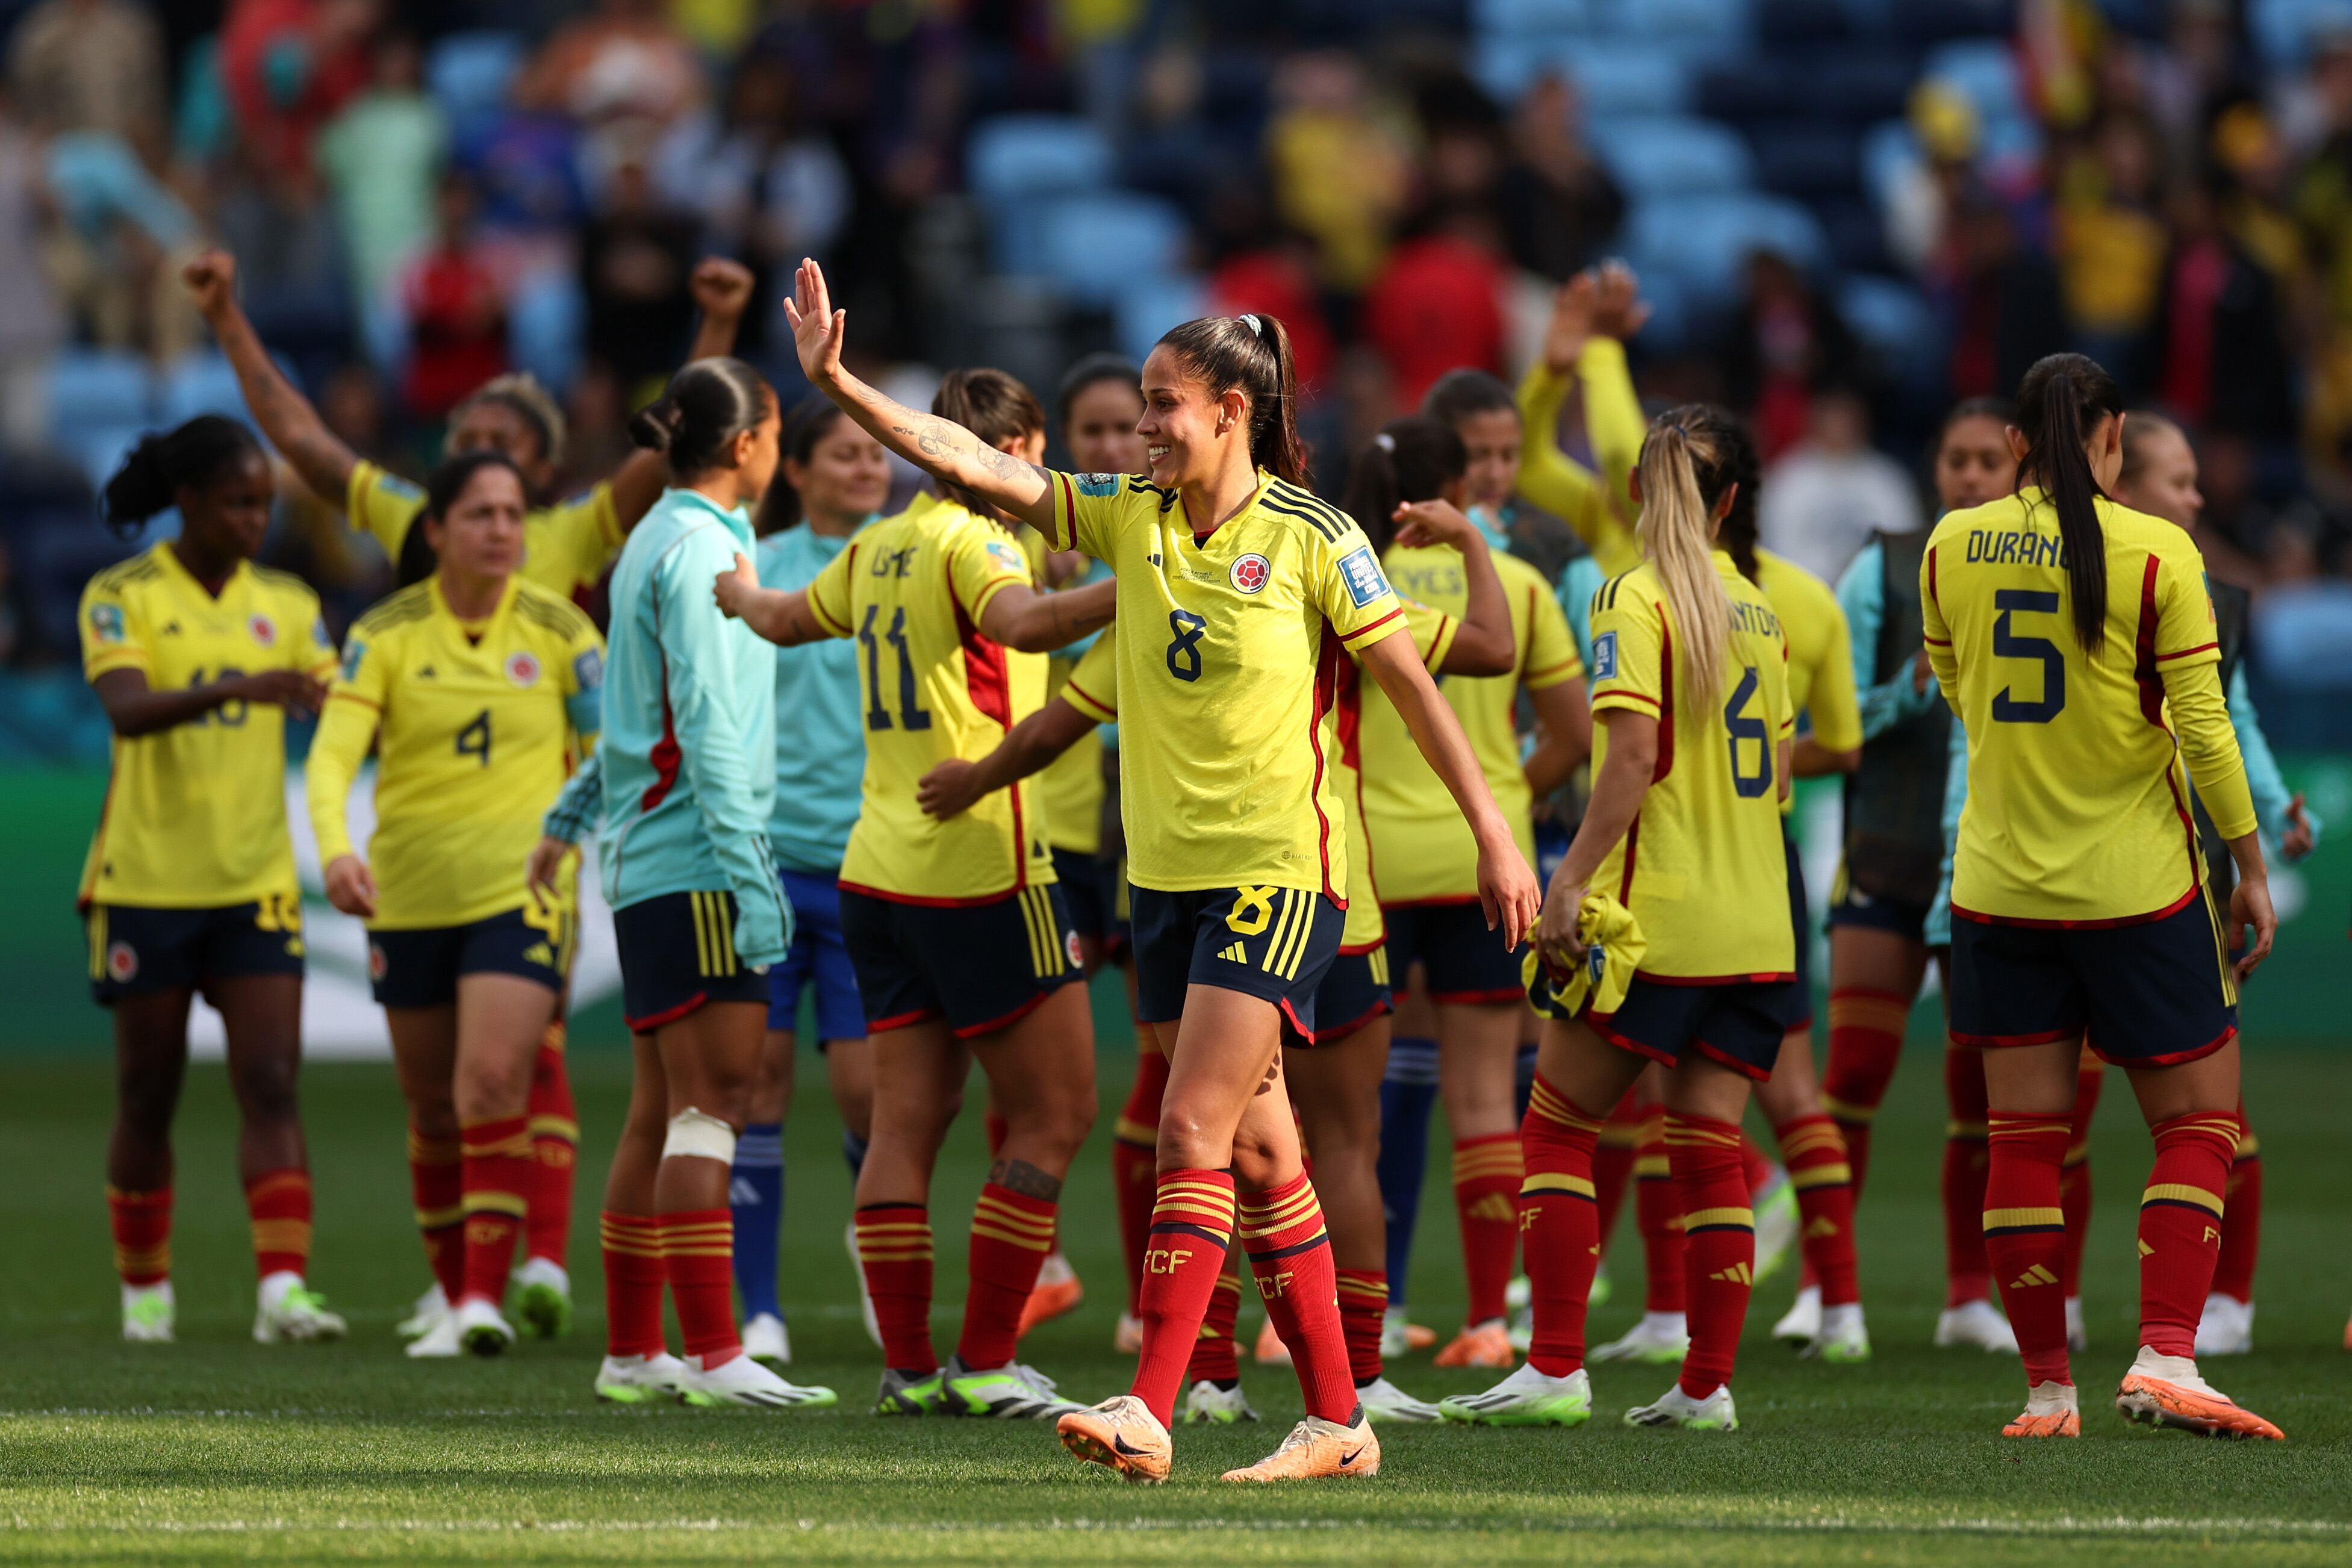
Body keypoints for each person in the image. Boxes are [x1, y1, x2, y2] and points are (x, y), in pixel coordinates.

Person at [779, 256, 1538, 1482]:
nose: (1143, 426)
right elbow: (977, 463)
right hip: (1168, 884)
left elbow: (1415, 688)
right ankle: (1340, 1422)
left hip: (1280, 875)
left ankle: (1151, 1403)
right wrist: (841, 382)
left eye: (1162, 404)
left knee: (1187, 1122)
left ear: (1232, 411)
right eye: (1140, 403)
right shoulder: (1129, 516)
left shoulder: (1314, 537)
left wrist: (1499, 835)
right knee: (1259, 1152)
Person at [188, 246, 759, 1318]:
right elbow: (305, 443)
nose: (482, 461)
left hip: (531, 846)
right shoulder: (412, 539)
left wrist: (716, 332)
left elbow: (676, 447)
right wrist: (227, 319)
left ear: (536, 475)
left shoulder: (568, 533)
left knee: (511, 1058)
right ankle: (480, 1273)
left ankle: (527, 1264)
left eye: (504, 449)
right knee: (454, 1089)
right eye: (468, 445)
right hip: (419, 848)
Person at [712, 365, 1116, 1420]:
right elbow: (1025, 626)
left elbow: (787, 619)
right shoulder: (978, 542)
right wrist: (1153, 582)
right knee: (1056, 1112)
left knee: (905, 1124)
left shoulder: (879, 543)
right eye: (1034, 455)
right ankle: (984, 1359)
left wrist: (740, 594)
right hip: (983, 865)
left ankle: (907, 1367)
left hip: (875, 871)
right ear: (1008, 456)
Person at [1921, 352, 2280, 1442]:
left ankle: (2045, 1393)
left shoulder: (1949, 545)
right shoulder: (2158, 552)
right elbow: (2205, 730)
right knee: (2199, 1120)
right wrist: (2249, 866)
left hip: (1997, 888)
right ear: (2113, 436)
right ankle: (2168, 1355)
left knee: (2021, 1138)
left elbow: (1954, 686)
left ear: (2017, 443)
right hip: (2135, 888)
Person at [1443, 403, 1796, 1434]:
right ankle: (1705, 1386)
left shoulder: (1631, 598)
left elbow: (1632, 761)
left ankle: (1553, 1367)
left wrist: (1566, 884)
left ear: (1641, 495)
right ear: (1731, 502)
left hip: (1655, 920)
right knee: (1709, 1147)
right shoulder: (1759, 613)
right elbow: (1773, 775)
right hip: (1756, 927)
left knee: (1556, 1127)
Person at [534, 356, 834, 1411]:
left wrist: (573, 814)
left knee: (657, 1110)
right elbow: (702, 721)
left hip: (648, 857)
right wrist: (753, 874)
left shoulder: (648, 540)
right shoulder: (706, 550)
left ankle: (632, 1350)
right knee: (717, 1107)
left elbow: (636, 712)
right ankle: (714, 1353)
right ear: (750, 445)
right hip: (705, 859)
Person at [307, 452, 604, 1358]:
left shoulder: (563, 633)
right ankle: (451, 1295)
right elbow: (330, 759)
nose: (503, 530)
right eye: (480, 514)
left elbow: (608, 751)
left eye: (513, 514)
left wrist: (568, 833)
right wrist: (336, 853)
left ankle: (483, 1298)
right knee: (432, 1107)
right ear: (434, 531)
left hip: (519, 894)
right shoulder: (386, 633)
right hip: (407, 896)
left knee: (488, 1085)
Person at [79, 415, 345, 1346]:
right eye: (239, 502)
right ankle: (145, 1290)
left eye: (266, 503)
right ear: (187, 502)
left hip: (254, 882)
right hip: (145, 880)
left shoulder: (292, 603)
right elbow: (128, 711)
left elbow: (340, 706)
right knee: (149, 1091)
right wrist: (241, 686)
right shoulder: (121, 596)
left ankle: (283, 1291)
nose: (255, 520)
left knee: (271, 1081)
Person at [2063, 412, 2317, 1360]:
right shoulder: (2084, 578)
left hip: (2176, 882)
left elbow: (2229, 722)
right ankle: (2059, 1313)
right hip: (2081, 882)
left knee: (2210, 1110)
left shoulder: (2209, 595)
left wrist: (2277, 805)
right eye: (2179, 481)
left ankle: (2228, 1301)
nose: (2198, 498)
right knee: (2072, 1112)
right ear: (2125, 488)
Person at [1354, 417, 1590, 1372]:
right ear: (1458, 488)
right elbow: (1571, 736)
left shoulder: (1342, 572)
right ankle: (1490, 1320)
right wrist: (1492, 802)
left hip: (1366, 866)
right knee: (1486, 1102)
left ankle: (1350, 1319)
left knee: (1350, 1110)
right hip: (1479, 868)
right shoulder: (1520, 584)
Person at [1821, 398, 2023, 1357]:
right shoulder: (1885, 563)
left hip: (1990, 862)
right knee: (1853, 1073)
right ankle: (1827, 1296)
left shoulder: (2038, 570)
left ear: (2018, 472)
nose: (1971, 476)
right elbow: (1832, 721)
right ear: (1934, 469)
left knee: (1977, 1093)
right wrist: (1897, 694)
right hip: (1886, 854)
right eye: (1956, 459)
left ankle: (1965, 1296)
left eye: (1989, 460)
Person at [730, 395, 892, 1370]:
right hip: (767, 860)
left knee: (870, 1100)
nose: (867, 469)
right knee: (757, 1088)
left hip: (869, 864)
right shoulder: (761, 568)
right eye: (844, 454)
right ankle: (760, 1310)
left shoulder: (910, 557)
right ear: (798, 470)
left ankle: (879, 1259)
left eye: (876, 455)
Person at [1050, 352, 1154, 1354]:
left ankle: (1141, 1299)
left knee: (1158, 1070)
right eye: (1090, 432)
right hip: (1045, 835)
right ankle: (1039, 1263)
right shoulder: (1049, 552)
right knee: (1038, 1070)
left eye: (1126, 426)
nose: (1111, 445)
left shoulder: (1160, 538)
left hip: (1134, 833)